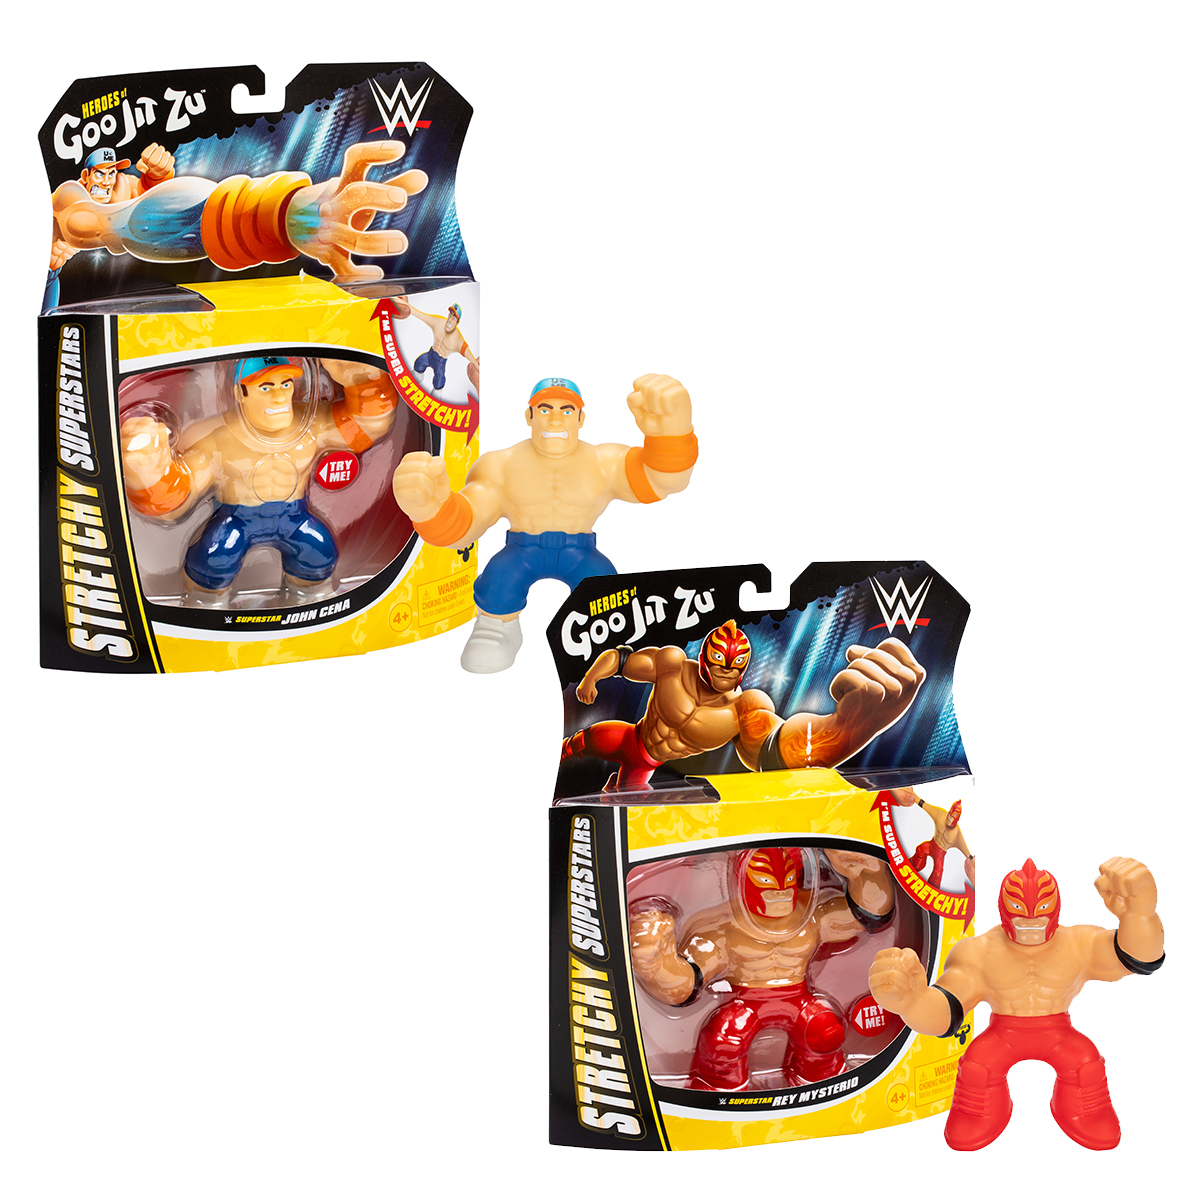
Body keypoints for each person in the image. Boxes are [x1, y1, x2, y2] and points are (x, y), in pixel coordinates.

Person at [392, 374, 696, 671]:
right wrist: (431, 509)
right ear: (529, 415)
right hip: (522, 549)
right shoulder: (500, 465)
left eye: (567, 411)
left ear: (581, 419)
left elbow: (661, 482)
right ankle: (497, 626)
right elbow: (470, 521)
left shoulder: (605, 462)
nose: (555, 420)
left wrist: (671, 435)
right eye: (545, 409)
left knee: (605, 591)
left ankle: (606, 639)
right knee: (499, 580)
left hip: (581, 552)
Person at [868, 857, 1164, 1150]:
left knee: (1085, 1064)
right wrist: (911, 1000)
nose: (1031, 922)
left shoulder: (1078, 943)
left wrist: (1139, 916)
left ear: (1055, 909)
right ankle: (978, 1113)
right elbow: (947, 1011)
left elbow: (1136, 958)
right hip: (1003, 1034)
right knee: (977, 1067)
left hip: (1059, 1033)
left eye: (1041, 911)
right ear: (1004, 909)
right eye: (1020, 912)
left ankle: (1085, 1112)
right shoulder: (978, 952)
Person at [120, 357, 399, 606]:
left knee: (319, 553)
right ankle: (205, 617)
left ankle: (312, 617)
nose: (279, 396)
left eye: (285, 384)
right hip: (236, 519)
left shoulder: (311, 426)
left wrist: (363, 378)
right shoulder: (216, 438)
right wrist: (147, 468)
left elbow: (367, 426)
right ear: (240, 392)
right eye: (265, 387)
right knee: (212, 560)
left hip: (294, 516)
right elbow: (177, 496)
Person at [630, 847, 896, 1089]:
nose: (780, 892)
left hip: (800, 1000)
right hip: (744, 1005)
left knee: (825, 1029)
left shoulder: (812, 918)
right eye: (767, 882)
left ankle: (825, 1086)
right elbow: (685, 985)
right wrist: (655, 962)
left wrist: (868, 872)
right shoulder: (723, 931)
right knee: (724, 1042)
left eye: (787, 881)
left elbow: (869, 916)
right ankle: (719, 1097)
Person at [562, 619, 925, 788]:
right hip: (631, 737)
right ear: (704, 659)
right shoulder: (671, 665)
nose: (725, 672)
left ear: (743, 667)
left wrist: (845, 732)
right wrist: (591, 679)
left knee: (623, 804)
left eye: (733, 665)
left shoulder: (744, 710)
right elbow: (620, 658)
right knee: (576, 745)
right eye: (719, 662)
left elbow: (776, 754)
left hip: (650, 763)